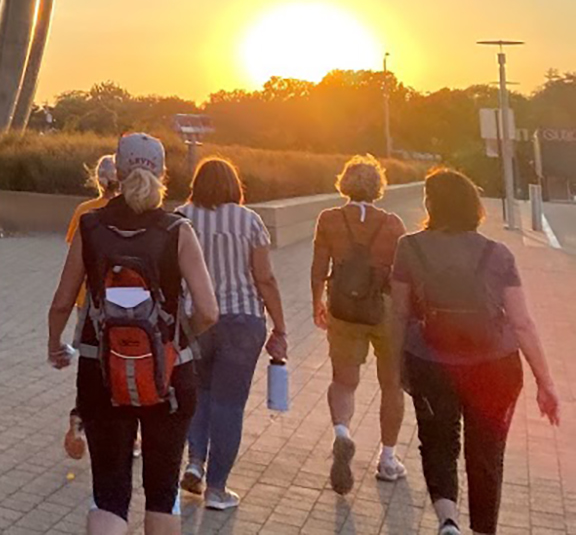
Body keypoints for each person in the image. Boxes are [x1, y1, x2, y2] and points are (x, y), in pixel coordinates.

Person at [48, 133, 219, 535]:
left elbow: (61, 301)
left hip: (101, 372)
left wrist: (56, 344)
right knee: (161, 492)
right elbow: (209, 311)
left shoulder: (90, 226)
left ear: (117, 173)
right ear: (162, 173)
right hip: (169, 377)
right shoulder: (177, 229)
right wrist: (176, 342)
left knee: (109, 494)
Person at [391, 169, 560, 535]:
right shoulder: (497, 253)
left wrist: (395, 367)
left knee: (437, 444)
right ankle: (483, 530)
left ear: (431, 203)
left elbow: (399, 314)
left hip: (431, 362)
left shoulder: (410, 247)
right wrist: (545, 383)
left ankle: (448, 521)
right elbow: (523, 324)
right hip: (495, 367)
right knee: (486, 454)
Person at [176, 158, 288, 510]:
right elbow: (264, 278)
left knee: (198, 393)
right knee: (229, 405)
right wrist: (281, 325)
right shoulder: (249, 220)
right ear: (233, 185)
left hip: (196, 320)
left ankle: (195, 461)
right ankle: (217, 489)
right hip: (242, 321)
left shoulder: (180, 217)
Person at [310, 154, 409, 493]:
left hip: (343, 305)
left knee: (344, 381)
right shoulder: (393, 224)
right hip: (384, 308)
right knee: (391, 384)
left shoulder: (330, 219)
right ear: (379, 186)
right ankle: (388, 458)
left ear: (345, 183)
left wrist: (316, 303)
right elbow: (402, 275)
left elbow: (318, 267)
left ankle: (342, 434)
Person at [61, 155, 120, 458]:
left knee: (90, 366)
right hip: (120, 304)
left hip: (87, 304)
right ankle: (124, 434)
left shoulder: (85, 211)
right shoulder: (128, 213)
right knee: (119, 365)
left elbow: (74, 254)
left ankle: (80, 417)